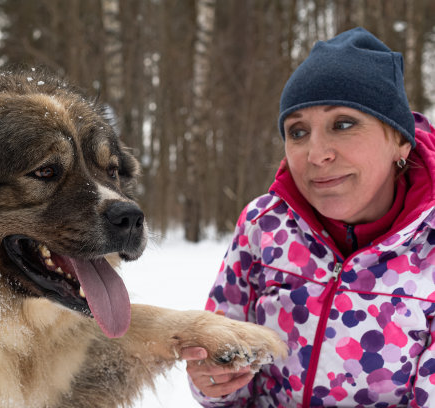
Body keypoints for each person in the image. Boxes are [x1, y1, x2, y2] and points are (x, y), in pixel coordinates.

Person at [183, 27, 435, 407]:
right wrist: (213, 380)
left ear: (400, 140)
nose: (316, 154)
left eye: (344, 124)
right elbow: (219, 370)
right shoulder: (262, 226)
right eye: (298, 131)